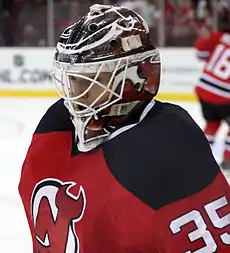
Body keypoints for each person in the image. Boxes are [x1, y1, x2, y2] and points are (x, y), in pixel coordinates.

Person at [19, 4, 230, 253]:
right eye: (72, 79)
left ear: (135, 77)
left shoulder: (161, 148)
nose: (76, 94)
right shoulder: (59, 128)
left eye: (91, 79)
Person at [194, 15, 230, 170]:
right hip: (225, 97)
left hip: (204, 91)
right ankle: (228, 160)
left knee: (211, 124)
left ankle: (199, 156)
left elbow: (200, 54)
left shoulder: (221, 36)